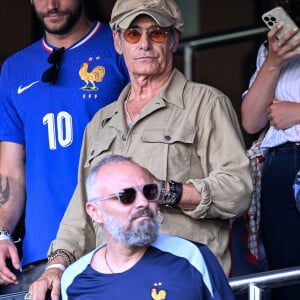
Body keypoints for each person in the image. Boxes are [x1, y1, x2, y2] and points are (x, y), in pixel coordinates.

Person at [29, 0, 252, 298]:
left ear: (173, 40)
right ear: (118, 42)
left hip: (181, 280)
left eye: (156, 33)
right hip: (110, 285)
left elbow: (238, 190)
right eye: (133, 34)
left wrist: (162, 190)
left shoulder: (206, 104)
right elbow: (81, 210)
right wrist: (57, 266)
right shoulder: (101, 123)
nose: (145, 43)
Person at [0, 0, 129, 295]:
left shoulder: (120, 45)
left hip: (110, 244)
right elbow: (10, 172)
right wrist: (1, 233)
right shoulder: (14, 68)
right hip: (40, 257)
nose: (52, 4)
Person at [60, 154, 235, 300]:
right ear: (95, 211)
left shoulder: (192, 257)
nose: (143, 202)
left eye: (149, 192)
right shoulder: (73, 281)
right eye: (127, 196)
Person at [241, 1, 300, 299]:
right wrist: (274, 61)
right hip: (279, 165)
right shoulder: (274, 49)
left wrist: (297, 112)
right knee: (286, 280)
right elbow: (251, 121)